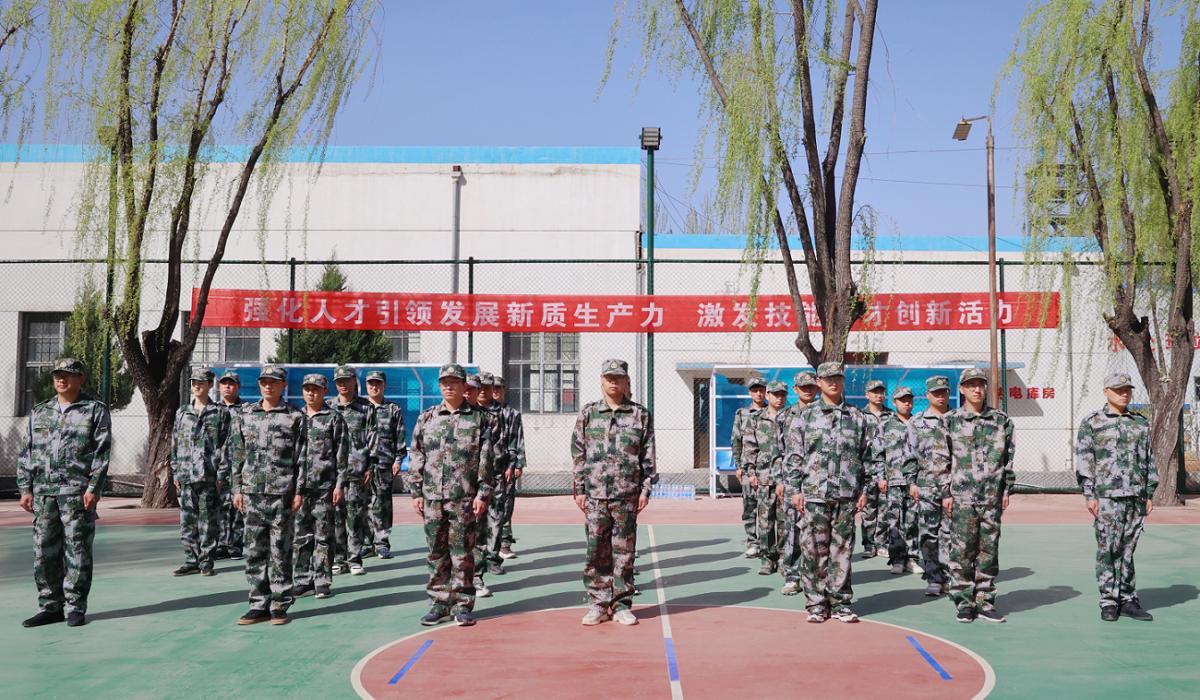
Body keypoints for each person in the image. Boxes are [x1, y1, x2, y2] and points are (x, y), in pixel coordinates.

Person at [18, 358, 111, 628]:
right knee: (43, 552)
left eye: (68, 375)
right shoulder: (40, 412)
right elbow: (27, 451)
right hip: (44, 493)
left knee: (77, 551)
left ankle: (75, 606)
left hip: (76, 493)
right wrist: (25, 487)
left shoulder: (94, 410)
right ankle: (50, 606)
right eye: (57, 375)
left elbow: (102, 453)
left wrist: (94, 487)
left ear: (81, 378)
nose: (61, 379)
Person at [784, 362, 879, 624]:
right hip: (814, 493)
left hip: (847, 494)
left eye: (837, 378)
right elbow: (794, 456)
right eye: (828, 379)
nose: (833, 383)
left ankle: (840, 602)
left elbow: (867, 456)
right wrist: (794, 490)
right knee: (813, 550)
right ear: (819, 382)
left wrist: (865, 489)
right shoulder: (804, 416)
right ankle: (816, 603)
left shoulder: (857, 417)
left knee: (843, 550)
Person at [407, 363, 494, 627]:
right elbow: (417, 454)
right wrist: (416, 491)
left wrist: (483, 493)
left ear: (464, 386)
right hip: (432, 497)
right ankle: (439, 602)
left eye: (454, 382)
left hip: (464, 497)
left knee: (463, 552)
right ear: (439, 386)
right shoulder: (427, 418)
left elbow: (486, 459)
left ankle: (463, 604)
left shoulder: (479, 419)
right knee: (436, 552)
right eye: (445, 383)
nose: (449, 387)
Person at [572, 358, 656, 626]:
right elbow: (578, 453)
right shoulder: (589, 413)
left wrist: (646, 489)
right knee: (596, 550)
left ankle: (621, 604)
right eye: (609, 378)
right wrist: (579, 489)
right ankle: (597, 604)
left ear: (626, 381)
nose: (613, 382)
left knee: (624, 552)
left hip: (627, 494)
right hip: (595, 495)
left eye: (618, 378)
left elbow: (648, 455)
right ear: (601, 380)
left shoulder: (640, 415)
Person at [228, 365, 307, 626]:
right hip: (252, 493)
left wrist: (299, 491)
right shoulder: (246, 414)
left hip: (282, 493)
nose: (268, 386)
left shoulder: (295, 417)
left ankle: (280, 604)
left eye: (273, 382)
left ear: (283, 385)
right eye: (264, 382)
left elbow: (302, 458)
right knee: (253, 551)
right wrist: (237, 488)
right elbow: (237, 454)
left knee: (280, 551)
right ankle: (258, 604)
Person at [1075, 373, 1156, 622]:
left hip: (1135, 495)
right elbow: (1085, 460)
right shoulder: (1093, 422)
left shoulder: (1140, 423)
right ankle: (1109, 601)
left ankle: (1128, 599)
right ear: (1106, 391)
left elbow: (1148, 459)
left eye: (1127, 389)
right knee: (1108, 549)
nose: (1124, 394)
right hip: (1107, 497)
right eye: (1119, 389)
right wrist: (1089, 494)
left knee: (1128, 549)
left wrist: (1148, 493)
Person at [939, 368, 1015, 624]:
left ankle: (984, 600)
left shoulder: (1001, 421)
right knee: (961, 551)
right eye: (970, 385)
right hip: (962, 497)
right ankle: (964, 601)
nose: (976, 389)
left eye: (980, 384)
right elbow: (941, 460)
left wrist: (1006, 490)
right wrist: (945, 493)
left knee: (988, 551)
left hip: (991, 497)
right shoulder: (950, 420)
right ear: (962, 389)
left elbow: (1008, 460)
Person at [293, 374, 348, 600]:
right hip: (299, 488)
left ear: (324, 391)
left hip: (324, 487)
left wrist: (340, 485)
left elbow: (342, 455)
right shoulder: (295, 417)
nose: (310, 393)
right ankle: (302, 580)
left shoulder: (334, 419)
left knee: (324, 536)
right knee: (301, 536)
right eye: (307, 389)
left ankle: (322, 581)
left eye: (315, 389)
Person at [171, 367, 229, 577]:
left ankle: (206, 561)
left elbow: (226, 445)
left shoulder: (220, 413)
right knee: (187, 520)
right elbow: (175, 443)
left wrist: (221, 474)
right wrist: (175, 471)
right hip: (186, 474)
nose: (196, 386)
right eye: (194, 382)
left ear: (209, 385)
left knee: (208, 520)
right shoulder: (182, 413)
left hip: (208, 475)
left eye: (201, 383)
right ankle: (191, 559)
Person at [902, 376, 953, 597]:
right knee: (929, 533)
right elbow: (909, 454)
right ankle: (934, 577)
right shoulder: (917, 422)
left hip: (953, 486)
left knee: (951, 533)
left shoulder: (958, 419)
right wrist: (911, 482)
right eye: (936, 393)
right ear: (928, 395)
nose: (940, 396)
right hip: (927, 485)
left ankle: (950, 577)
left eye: (944, 392)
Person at [775, 371, 817, 595]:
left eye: (811, 386)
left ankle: (815, 575)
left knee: (817, 531)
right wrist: (780, 480)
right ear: (795, 389)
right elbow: (778, 452)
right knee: (792, 529)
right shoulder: (785, 416)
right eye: (803, 387)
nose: (807, 390)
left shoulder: (824, 414)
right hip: (792, 482)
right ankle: (792, 575)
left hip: (817, 482)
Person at [329, 365, 373, 576]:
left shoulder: (366, 408)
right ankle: (339, 558)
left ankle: (354, 558)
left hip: (357, 470)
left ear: (355, 381)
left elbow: (373, 438)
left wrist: (370, 465)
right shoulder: (329, 407)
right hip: (333, 471)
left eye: (347, 380)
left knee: (355, 515)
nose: (343, 384)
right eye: (339, 381)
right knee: (336, 516)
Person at [741, 380, 789, 575]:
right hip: (764, 478)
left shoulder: (793, 418)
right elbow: (749, 447)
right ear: (768, 395)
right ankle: (768, 559)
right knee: (765, 522)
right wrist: (750, 472)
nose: (779, 398)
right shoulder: (755, 419)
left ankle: (785, 559)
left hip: (786, 479)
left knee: (785, 522)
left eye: (782, 394)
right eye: (775, 394)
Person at [365, 370, 405, 560]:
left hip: (384, 464)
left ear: (384, 385)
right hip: (362, 466)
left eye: (378, 383)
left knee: (383, 504)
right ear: (366, 386)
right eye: (371, 383)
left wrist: (398, 460)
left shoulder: (392, 409)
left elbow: (400, 436)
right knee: (363, 504)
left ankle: (381, 543)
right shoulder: (360, 408)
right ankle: (366, 543)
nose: (374, 387)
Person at [879, 386, 918, 575]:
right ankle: (897, 559)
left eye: (909, 400)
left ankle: (912, 558)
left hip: (914, 481)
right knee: (894, 520)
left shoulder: (918, 423)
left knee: (912, 519)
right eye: (902, 400)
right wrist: (880, 477)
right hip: (893, 480)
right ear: (894, 402)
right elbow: (878, 453)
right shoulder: (886, 424)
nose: (906, 403)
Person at [732, 375, 767, 558]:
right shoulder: (742, 414)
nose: (759, 394)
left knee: (767, 508)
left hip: (767, 467)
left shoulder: (773, 412)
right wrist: (738, 465)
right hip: (747, 467)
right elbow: (736, 441)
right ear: (750, 393)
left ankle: (766, 543)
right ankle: (752, 542)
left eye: (761, 390)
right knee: (749, 506)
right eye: (755, 390)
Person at [492, 376, 526, 560]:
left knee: (506, 505)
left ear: (504, 390)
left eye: (499, 388)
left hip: (507, 465)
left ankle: (504, 543)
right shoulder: (481, 412)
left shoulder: (512, 414)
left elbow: (518, 438)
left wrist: (518, 463)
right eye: (493, 388)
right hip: (486, 467)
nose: (495, 391)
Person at [860, 379, 892, 557]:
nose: (878, 395)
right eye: (874, 392)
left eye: (881, 392)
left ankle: (882, 542)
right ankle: (868, 544)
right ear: (867, 395)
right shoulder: (860, 415)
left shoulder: (891, 416)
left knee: (884, 507)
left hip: (886, 469)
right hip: (866, 468)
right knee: (868, 508)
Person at [216, 370, 245, 560]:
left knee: (238, 505)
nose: (228, 386)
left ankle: (236, 545)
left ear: (238, 387)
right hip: (218, 466)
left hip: (239, 465)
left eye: (232, 383)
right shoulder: (212, 410)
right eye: (224, 383)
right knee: (219, 505)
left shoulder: (247, 410)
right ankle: (221, 544)